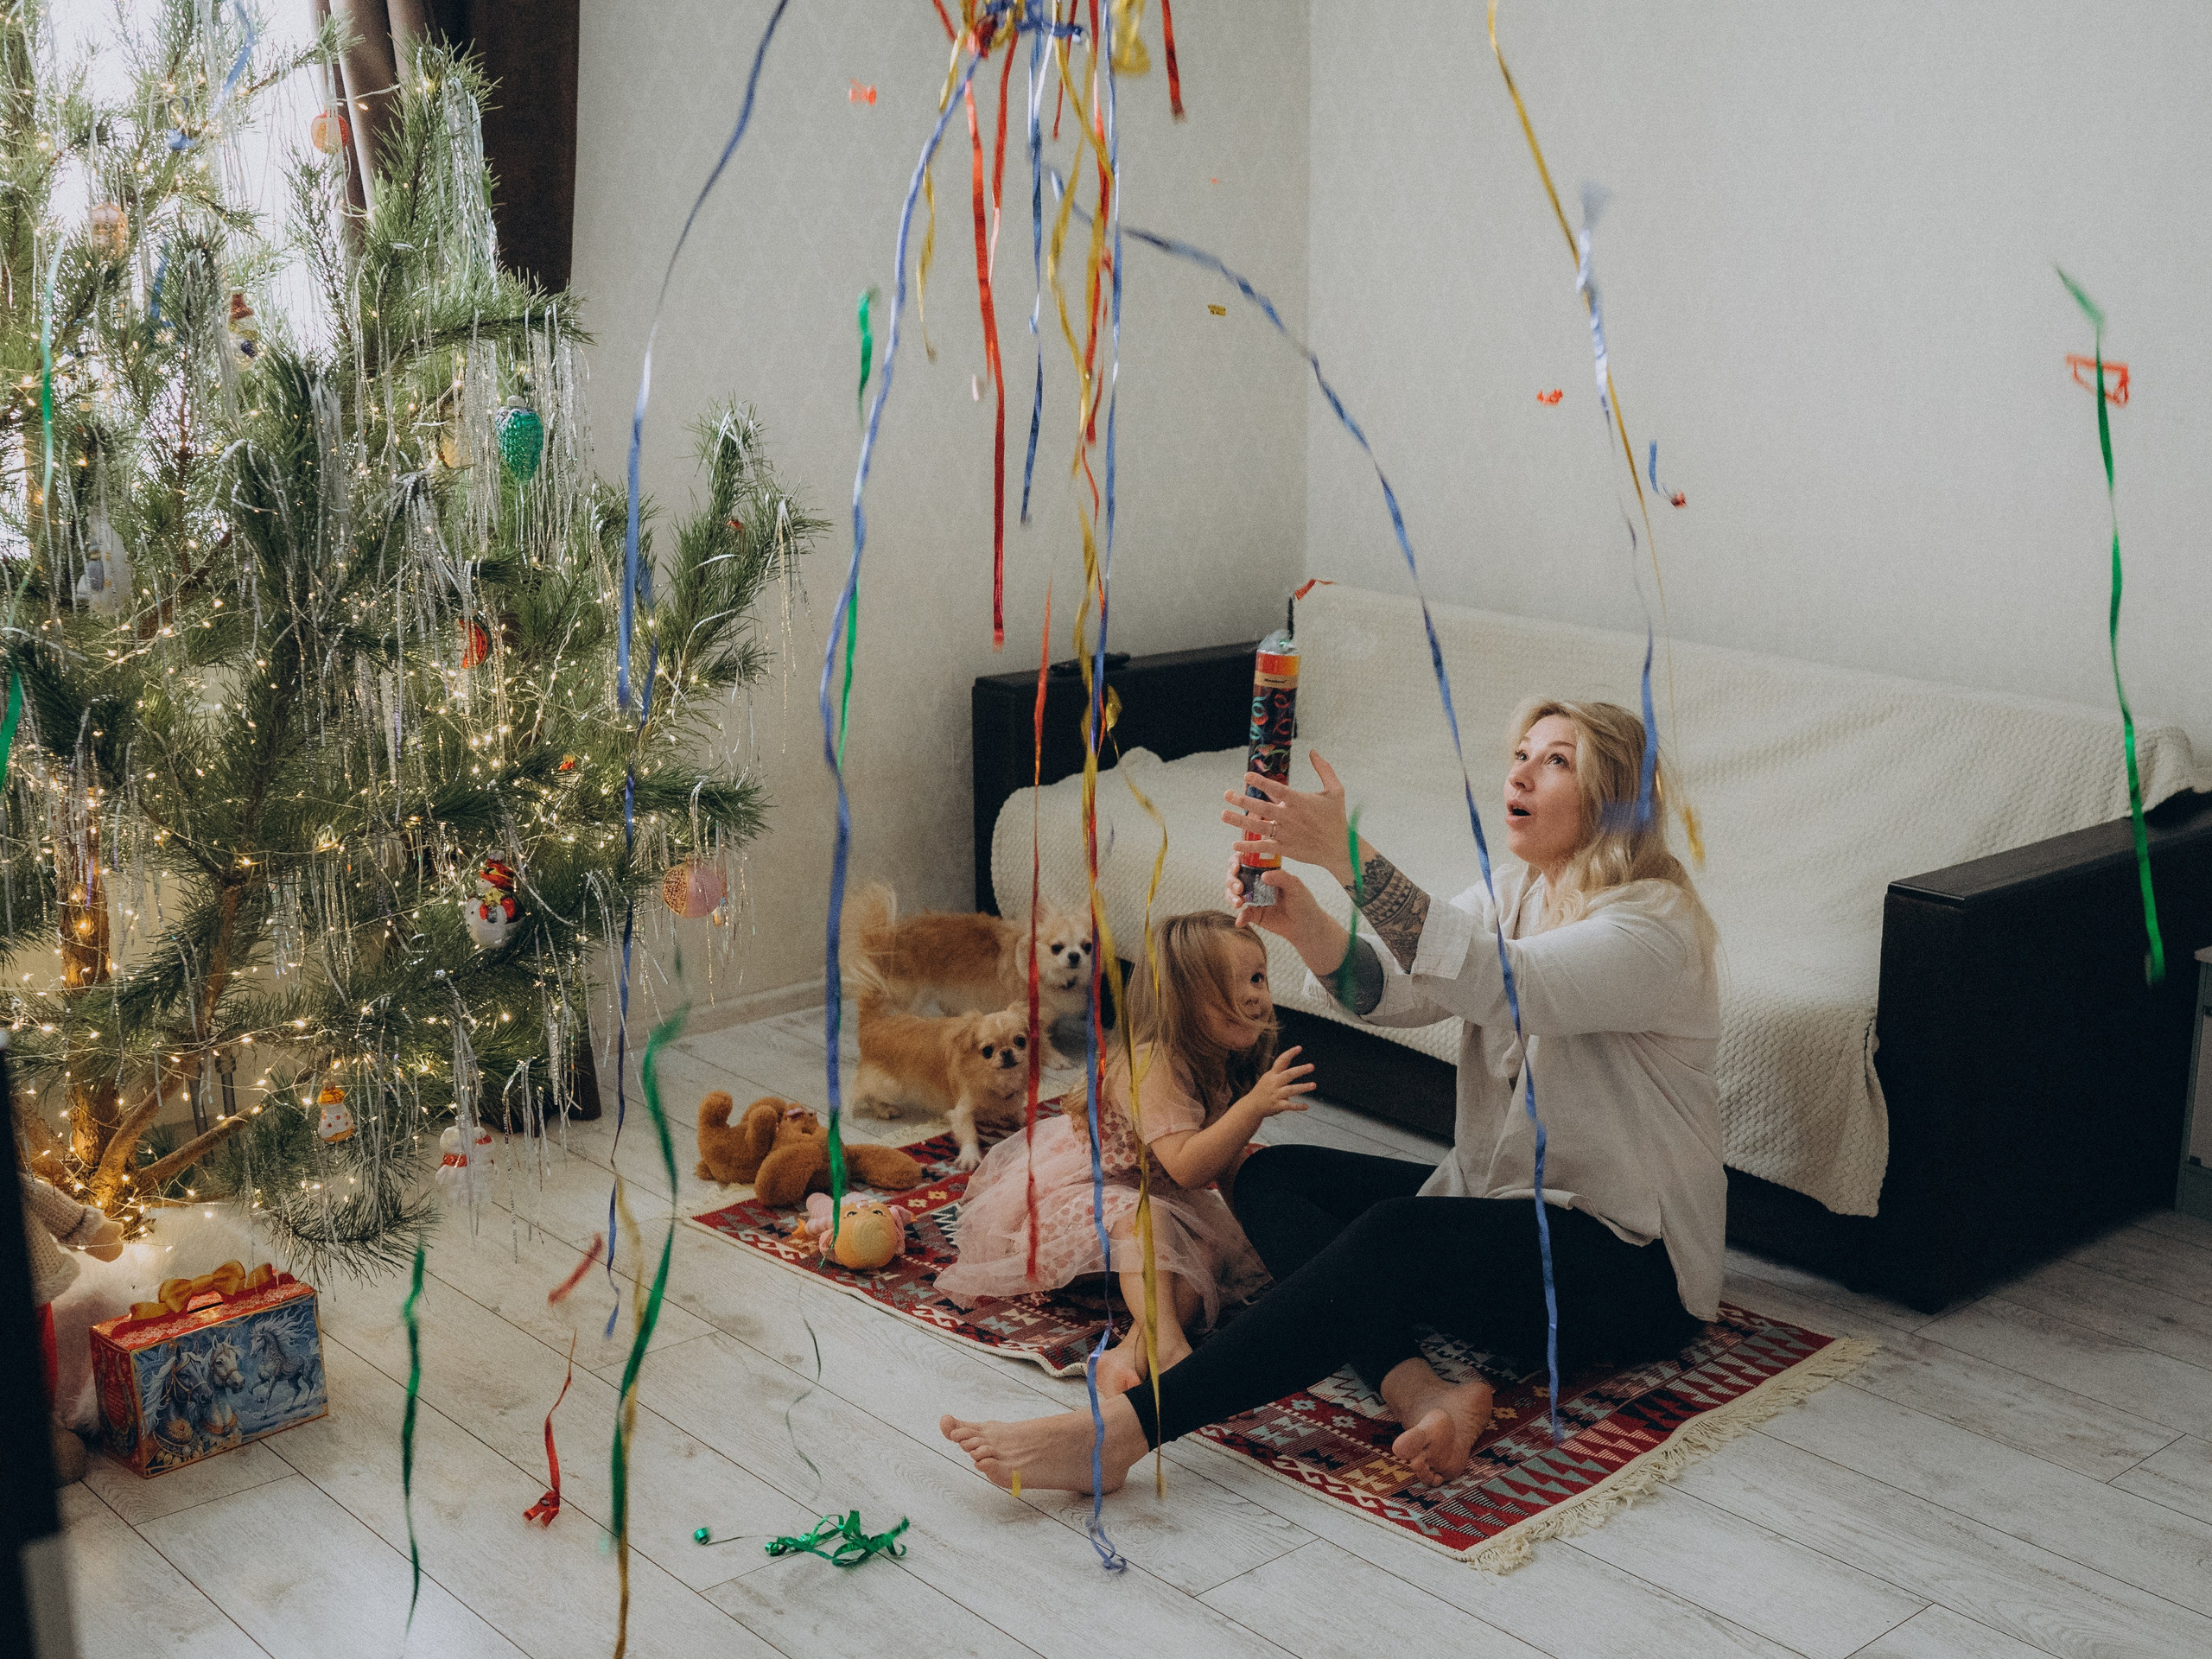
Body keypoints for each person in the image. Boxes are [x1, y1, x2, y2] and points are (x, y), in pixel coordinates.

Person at [942, 698, 1721, 1491]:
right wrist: (1305, 921)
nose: (1519, 771)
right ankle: (1423, 1390)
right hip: (1509, 1216)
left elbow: (1501, 984)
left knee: (1391, 1236)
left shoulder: (1653, 928)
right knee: (1265, 1174)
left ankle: (1130, 1433)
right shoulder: (1517, 890)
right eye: (1521, 751)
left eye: (1556, 760)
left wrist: (1345, 853)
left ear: (1616, 795)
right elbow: (1403, 990)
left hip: (1629, 1273)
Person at [935, 910, 1315, 1392]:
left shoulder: (1223, 1058)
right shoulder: (1154, 1064)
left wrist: (1255, 1232)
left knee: (1213, 1249)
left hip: (1157, 1195)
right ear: (1180, 1001)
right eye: (1231, 984)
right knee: (1145, 1218)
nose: (1255, 995)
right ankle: (1169, 1344)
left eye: (1258, 977)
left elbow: (1224, 1162)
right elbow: (1189, 1166)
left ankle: (1133, 1350)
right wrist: (1254, 1109)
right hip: (1085, 1199)